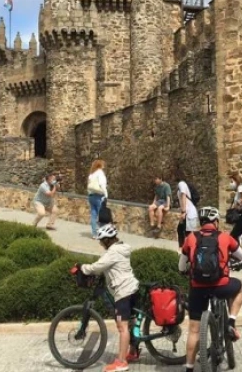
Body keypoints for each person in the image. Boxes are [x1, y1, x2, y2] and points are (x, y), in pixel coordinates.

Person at [180, 206, 242, 372]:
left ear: (201, 222)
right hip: (221, 286)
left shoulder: (191, 238)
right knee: (238, 287)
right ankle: (231, 322)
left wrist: (184, 271)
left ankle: (189, 368)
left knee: (194, 330)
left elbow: (181, 265)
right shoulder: (225, 237)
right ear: (216, 222)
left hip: (197, 288)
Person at [79, 224, 140, 372]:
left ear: (107, 240)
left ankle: (121, 362)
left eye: (101, 240)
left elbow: (97, 266)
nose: (100, 243)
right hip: (132, 287)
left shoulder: (112, 252)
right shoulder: (122, 247)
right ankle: (133, 352)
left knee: (122, 327)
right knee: (131, 322)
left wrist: (82, 268)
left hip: (123, 291)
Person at [176, 175, 200, 249]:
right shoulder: (183, 184)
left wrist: (183, 211)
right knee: (182, 230)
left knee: (187, 233)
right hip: (189, 212)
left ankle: (186, 251)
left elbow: (183, 195)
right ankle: (183, 249)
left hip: (189, 213)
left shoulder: (181, 183)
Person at [87, 159, 108, 238]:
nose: (104, 165)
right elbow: (102, 185)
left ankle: (94, 234)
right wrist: (106, 195)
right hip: (99, 196)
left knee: (93, 215)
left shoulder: (91, 174)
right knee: (102, 215)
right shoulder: (100, 173)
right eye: (103, 164)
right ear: (100, 165)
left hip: (91, 196)